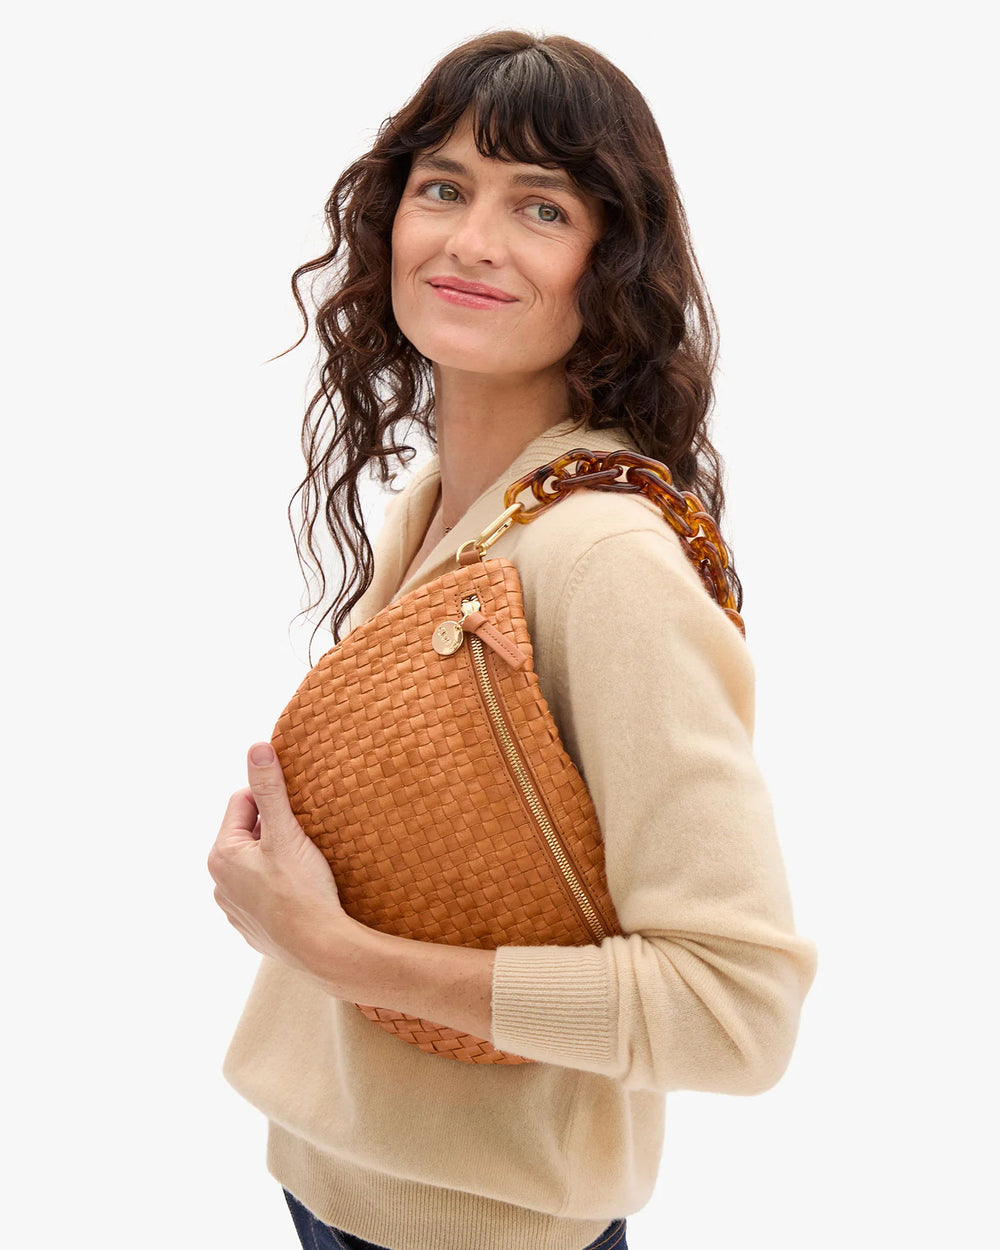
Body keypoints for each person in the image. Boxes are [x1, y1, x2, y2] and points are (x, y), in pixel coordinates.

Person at [207, 29, 819, 1250]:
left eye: (540, 207)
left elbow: (734, 1007)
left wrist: (331, 948)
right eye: (444, 188)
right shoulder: (444, 505)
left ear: (611, 262)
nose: (471, 241)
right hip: (328, 1178)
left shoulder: (599, 556)